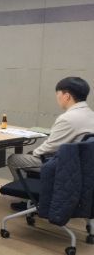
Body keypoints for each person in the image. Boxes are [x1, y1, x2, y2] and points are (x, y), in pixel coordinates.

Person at [7, 77, 94, 209]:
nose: (57, 98)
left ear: (66, 96)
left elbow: (50, 147)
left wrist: (34, 153)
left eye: (57, 94)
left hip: (64, 166)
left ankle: (29, 199)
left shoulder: (67, 118)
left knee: (14, 159)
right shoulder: (90, 114)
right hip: (83, 167)